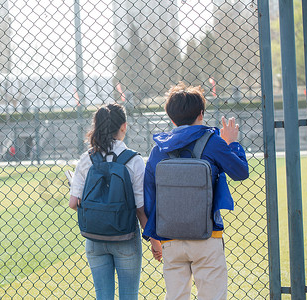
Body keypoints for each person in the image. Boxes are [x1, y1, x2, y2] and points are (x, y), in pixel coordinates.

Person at [143, 82, 249, 300]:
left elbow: (150, 196)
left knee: (176, 296)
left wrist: (154, 236)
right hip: (207, 235)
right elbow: (240, 172)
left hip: (170, 237)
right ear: (201, 114)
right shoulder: (213, 142)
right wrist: (231, 144)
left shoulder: (158, 149)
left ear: (171, 118)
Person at [69, 103, 161, 300]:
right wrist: (154, 239)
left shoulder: (87, 159)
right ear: (124, 126)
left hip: (94, 239)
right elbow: (140, 207)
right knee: (129, 296)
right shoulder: (133, 160)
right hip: (125, 238)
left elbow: (73, 203)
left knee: (103, 296)